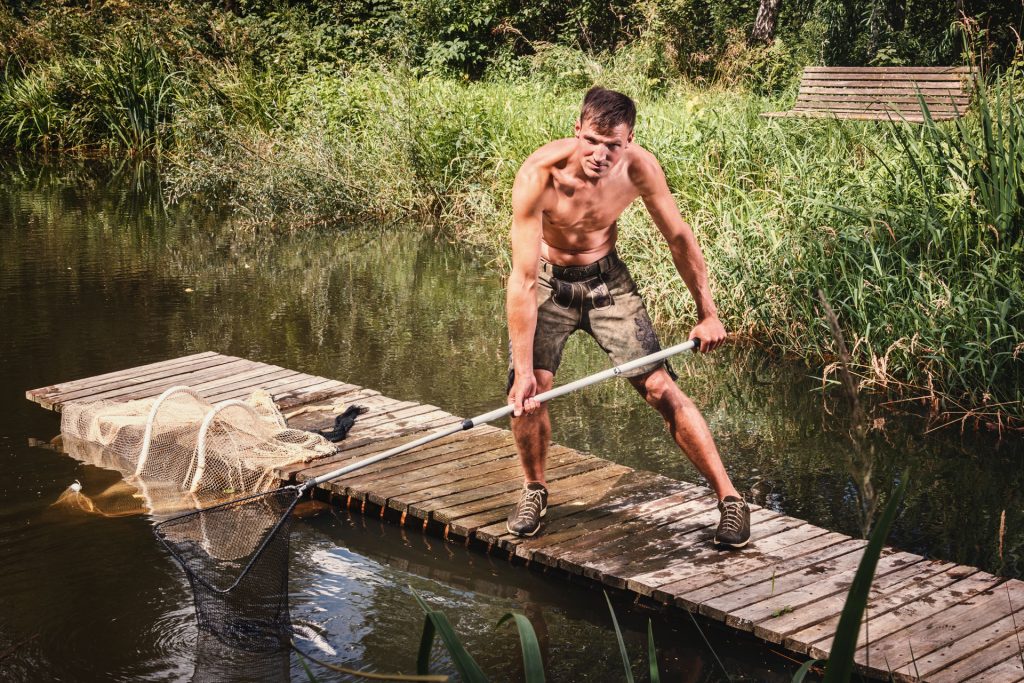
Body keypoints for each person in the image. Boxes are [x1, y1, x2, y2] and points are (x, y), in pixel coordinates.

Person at [504, 85, 750, 547]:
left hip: (607, 282)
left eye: (612, 145)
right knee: (532, 389)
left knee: (659, 387)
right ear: (577, 130)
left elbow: (679, 238)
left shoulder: (639, 169)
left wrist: (708, 313)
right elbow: (522, 278)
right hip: (548, 284)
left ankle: (730, 498)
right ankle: (534, 489)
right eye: (591, 141)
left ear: (629, 141)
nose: (600, 155)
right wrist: (522, 372)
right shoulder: (540, 174)